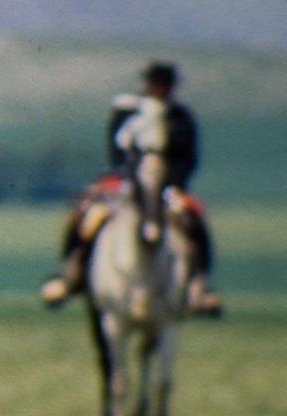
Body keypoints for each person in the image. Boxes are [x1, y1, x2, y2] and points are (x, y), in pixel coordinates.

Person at [40, 61, 220, 315]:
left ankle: (198, 286)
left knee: (193, 218)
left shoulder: (180, 118)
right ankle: (70, 275)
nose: (159, 89)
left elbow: (188, 157)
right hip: (126, 179)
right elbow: (116, 151)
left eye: (164, 85)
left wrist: (170, 180)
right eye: (155, 84)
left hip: (167, 185)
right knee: (86, 212)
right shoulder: (129, 113)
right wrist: (132, 176)